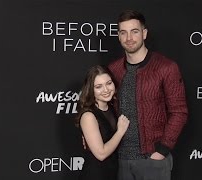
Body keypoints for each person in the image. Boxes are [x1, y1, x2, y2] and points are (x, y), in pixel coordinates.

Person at [107, 10, 188, 180]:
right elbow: (105, 108)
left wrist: (162, 150)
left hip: (152, 159)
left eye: (134, 31)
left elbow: (179, 111)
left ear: (144, 33)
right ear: (118, 36)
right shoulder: (113, 70)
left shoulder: (166, 67)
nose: (129, 38)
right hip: (121, 159)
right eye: (124, 32)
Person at [77, 65, 130, 180]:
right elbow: (101, 154)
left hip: (113, 173)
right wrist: (120, 132)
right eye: (98, 86)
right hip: (95, 175)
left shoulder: (112, 108)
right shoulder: (88, 116)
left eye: (109, 83)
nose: (106, 90)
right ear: (91, 89)